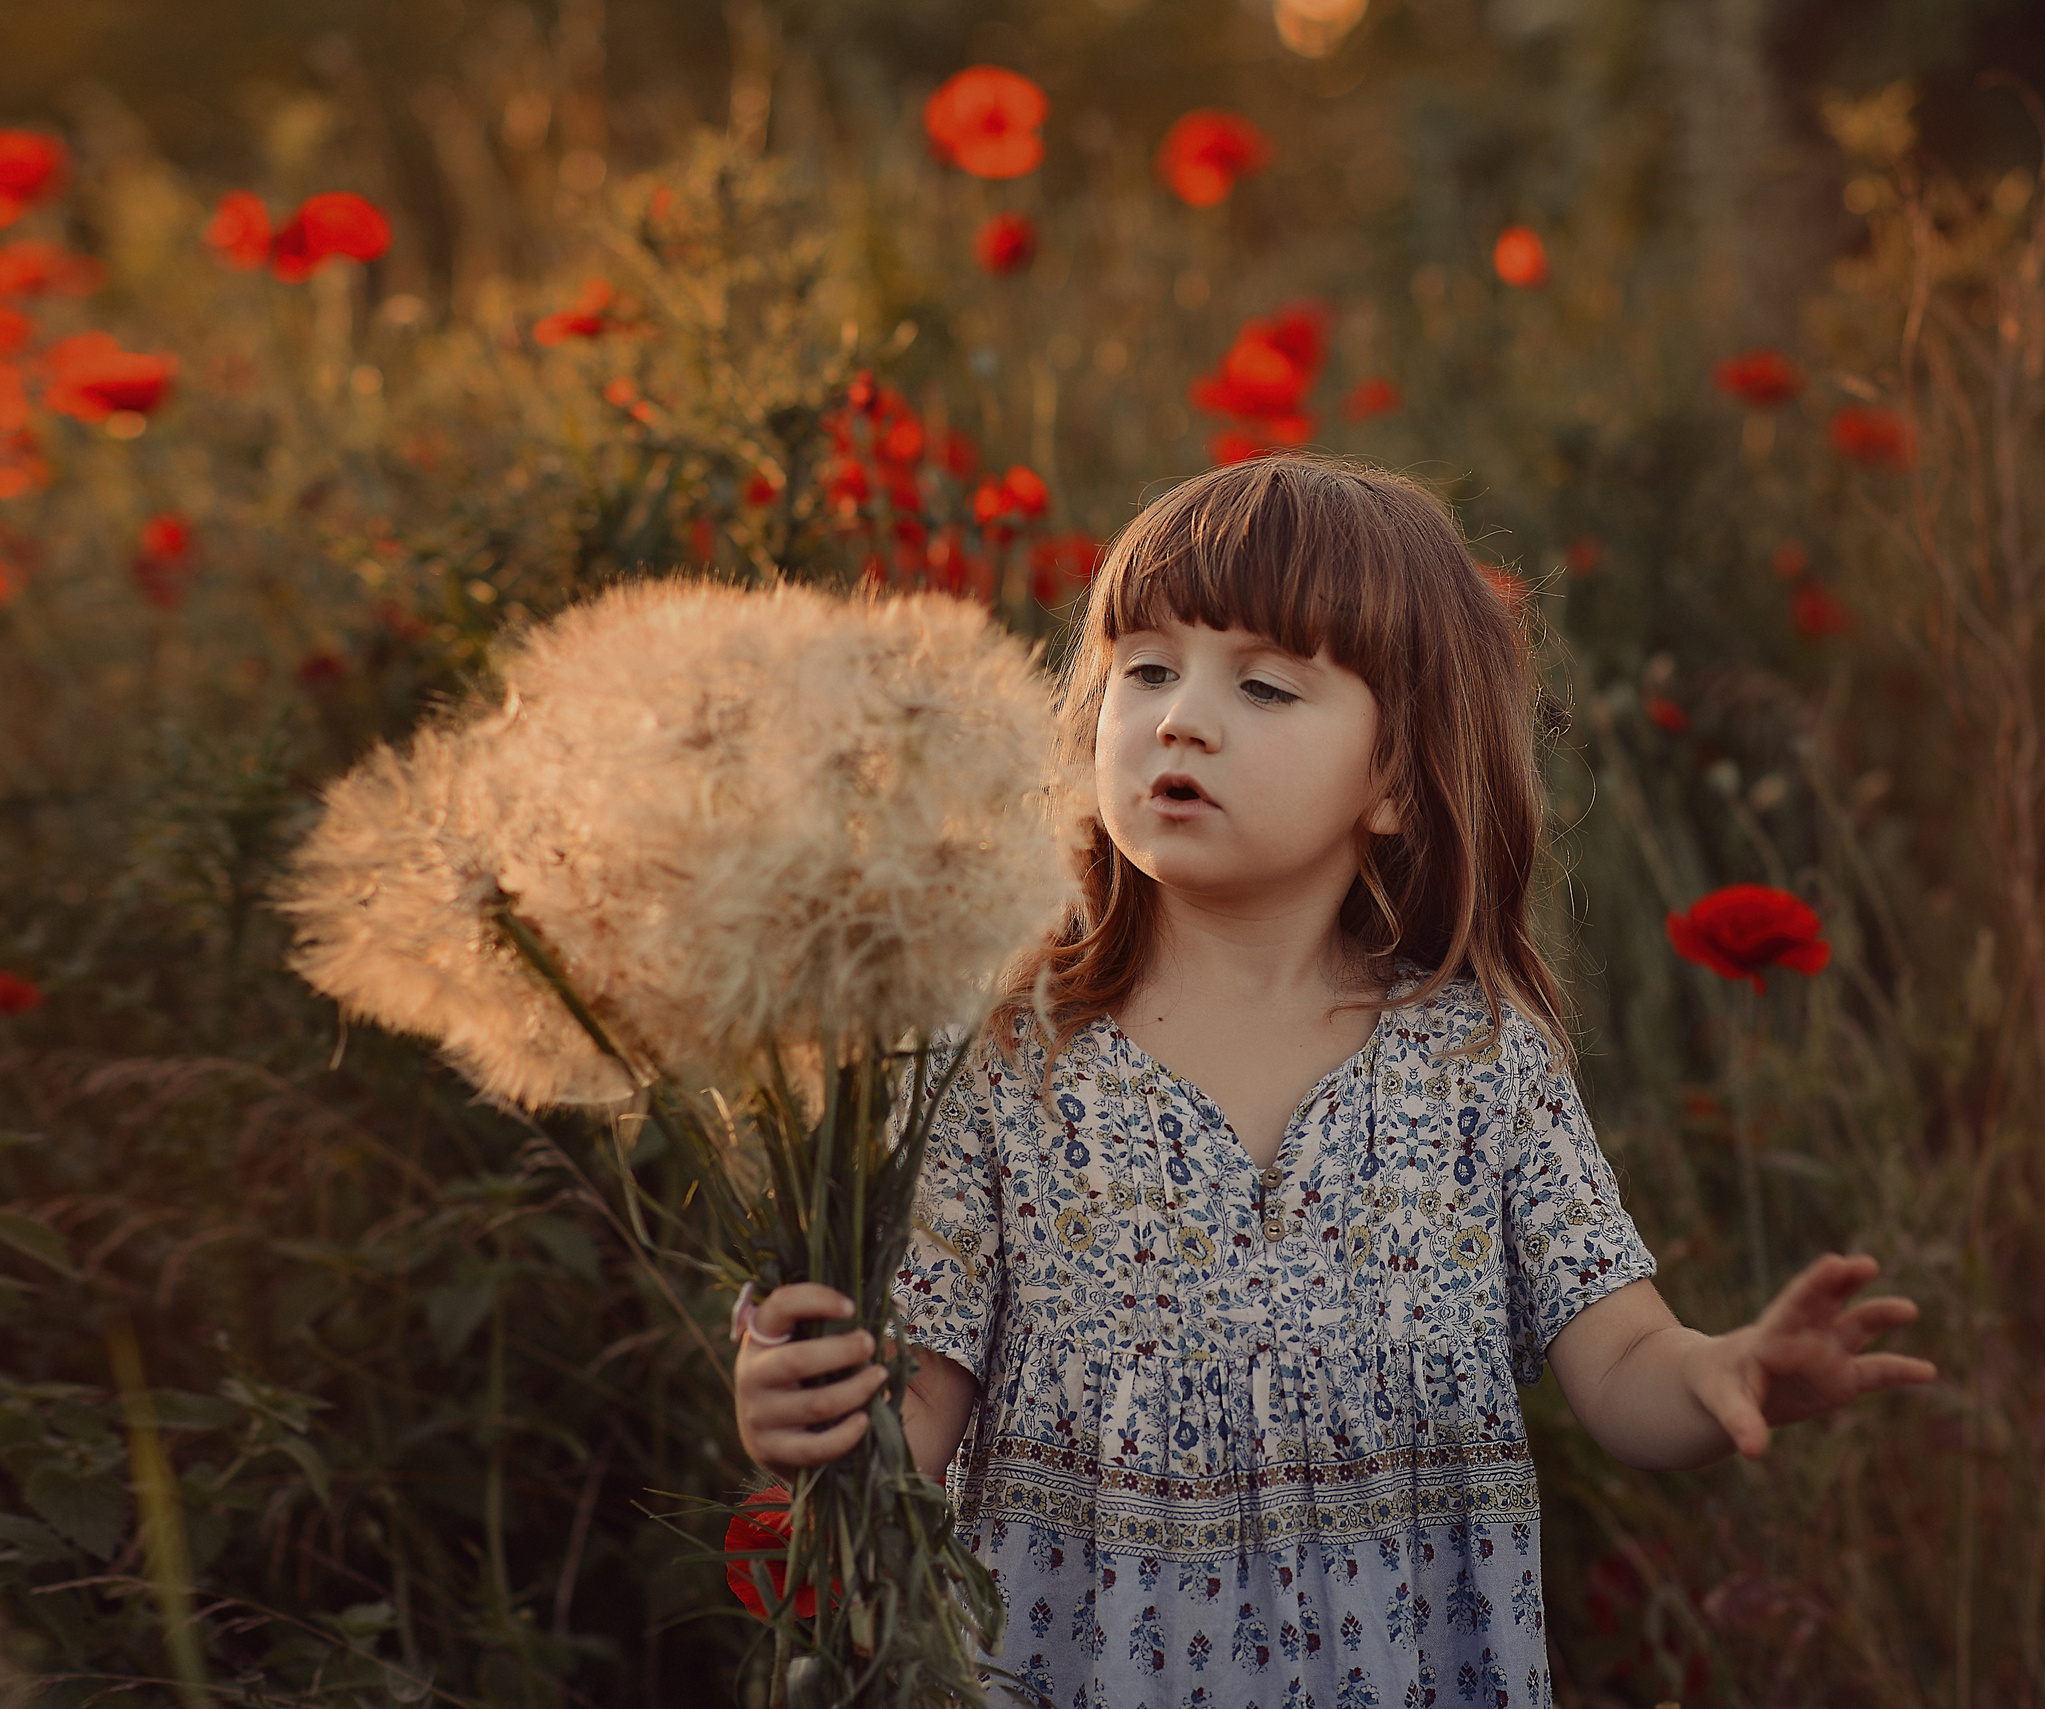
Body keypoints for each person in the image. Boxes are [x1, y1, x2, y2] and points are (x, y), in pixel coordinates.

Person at [730, 453, 1936, 1708]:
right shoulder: (1005, 1059)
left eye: (1261, 683)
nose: (1179, 716)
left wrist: (1722, 1371)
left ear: (1398, 779)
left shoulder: (1480, 1064)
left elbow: (1621, 1357)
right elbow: (912, 1416)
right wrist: (802, 1410)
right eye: (1144, 667)